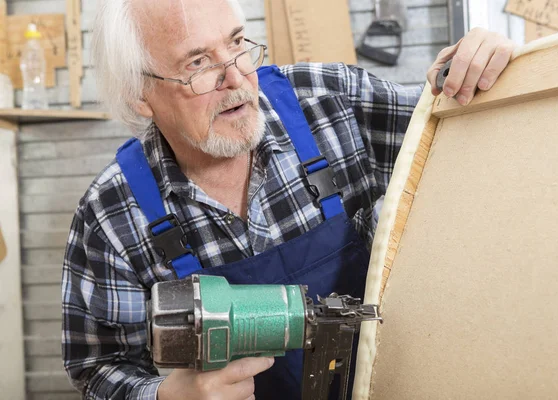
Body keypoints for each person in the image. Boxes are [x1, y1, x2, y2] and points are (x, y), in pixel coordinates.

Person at [61, 0, 516, 399]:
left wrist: (482, 68)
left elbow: (456, 136)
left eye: (237, 43)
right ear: (139, 94)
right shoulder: (111, 214)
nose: (237, 77)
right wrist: (164, 397)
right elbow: (98, 368)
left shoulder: (331, 102)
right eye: (198, 62)